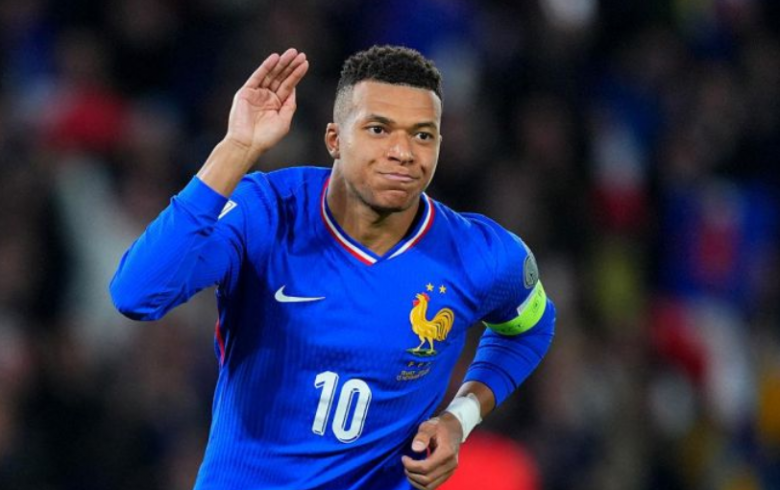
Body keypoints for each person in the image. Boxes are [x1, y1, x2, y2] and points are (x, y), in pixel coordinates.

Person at [110, 45, 556, 490]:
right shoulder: (266, 214)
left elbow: (531, 327)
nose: (403, 151)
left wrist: (461, 417)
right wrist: (237, 148)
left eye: (423, 135)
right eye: (379, 129)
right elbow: (137, 294)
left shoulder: (480, 255)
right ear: (334, 139)